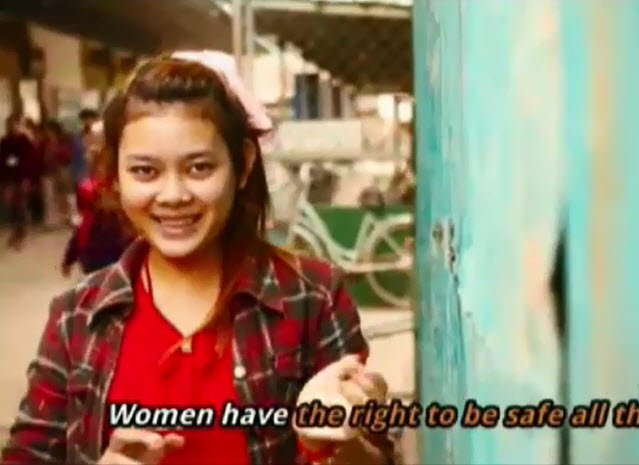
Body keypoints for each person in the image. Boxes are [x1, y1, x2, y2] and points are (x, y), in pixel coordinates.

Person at [2, 50, 399, 465]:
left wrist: (329, 443)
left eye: (199, 168)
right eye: (145, 171)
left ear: (243, 165)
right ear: (115, 176)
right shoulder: (75, 319)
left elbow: (379, 456)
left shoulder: (313, 298)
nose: (173, 195)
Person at [61, 120, 133, 276]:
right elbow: (82, 229)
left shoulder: (127, 205)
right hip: (95, 259)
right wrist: (69, 259)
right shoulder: (91, 194)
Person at [0, 114, 35, 249]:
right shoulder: (5, 141)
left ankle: (20, 235)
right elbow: (3, 159)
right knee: (10, 205)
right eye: (13, 124)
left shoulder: (25, 141)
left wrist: (28, 177)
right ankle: (15, 231)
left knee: (21, 206)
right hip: (9, 178)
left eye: (18, 124)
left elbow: (29, 160)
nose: (15, 127)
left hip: (22, 177)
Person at [41, 119, 74, 227]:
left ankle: (69, 216)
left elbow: (68, 155)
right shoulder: (45, 142)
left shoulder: (63, 141)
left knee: (65, 194)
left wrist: (57, 153)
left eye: (48, 130)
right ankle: (54, 219)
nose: (47, 132)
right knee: (50, 196)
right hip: (48, 171)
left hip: (61, 169)